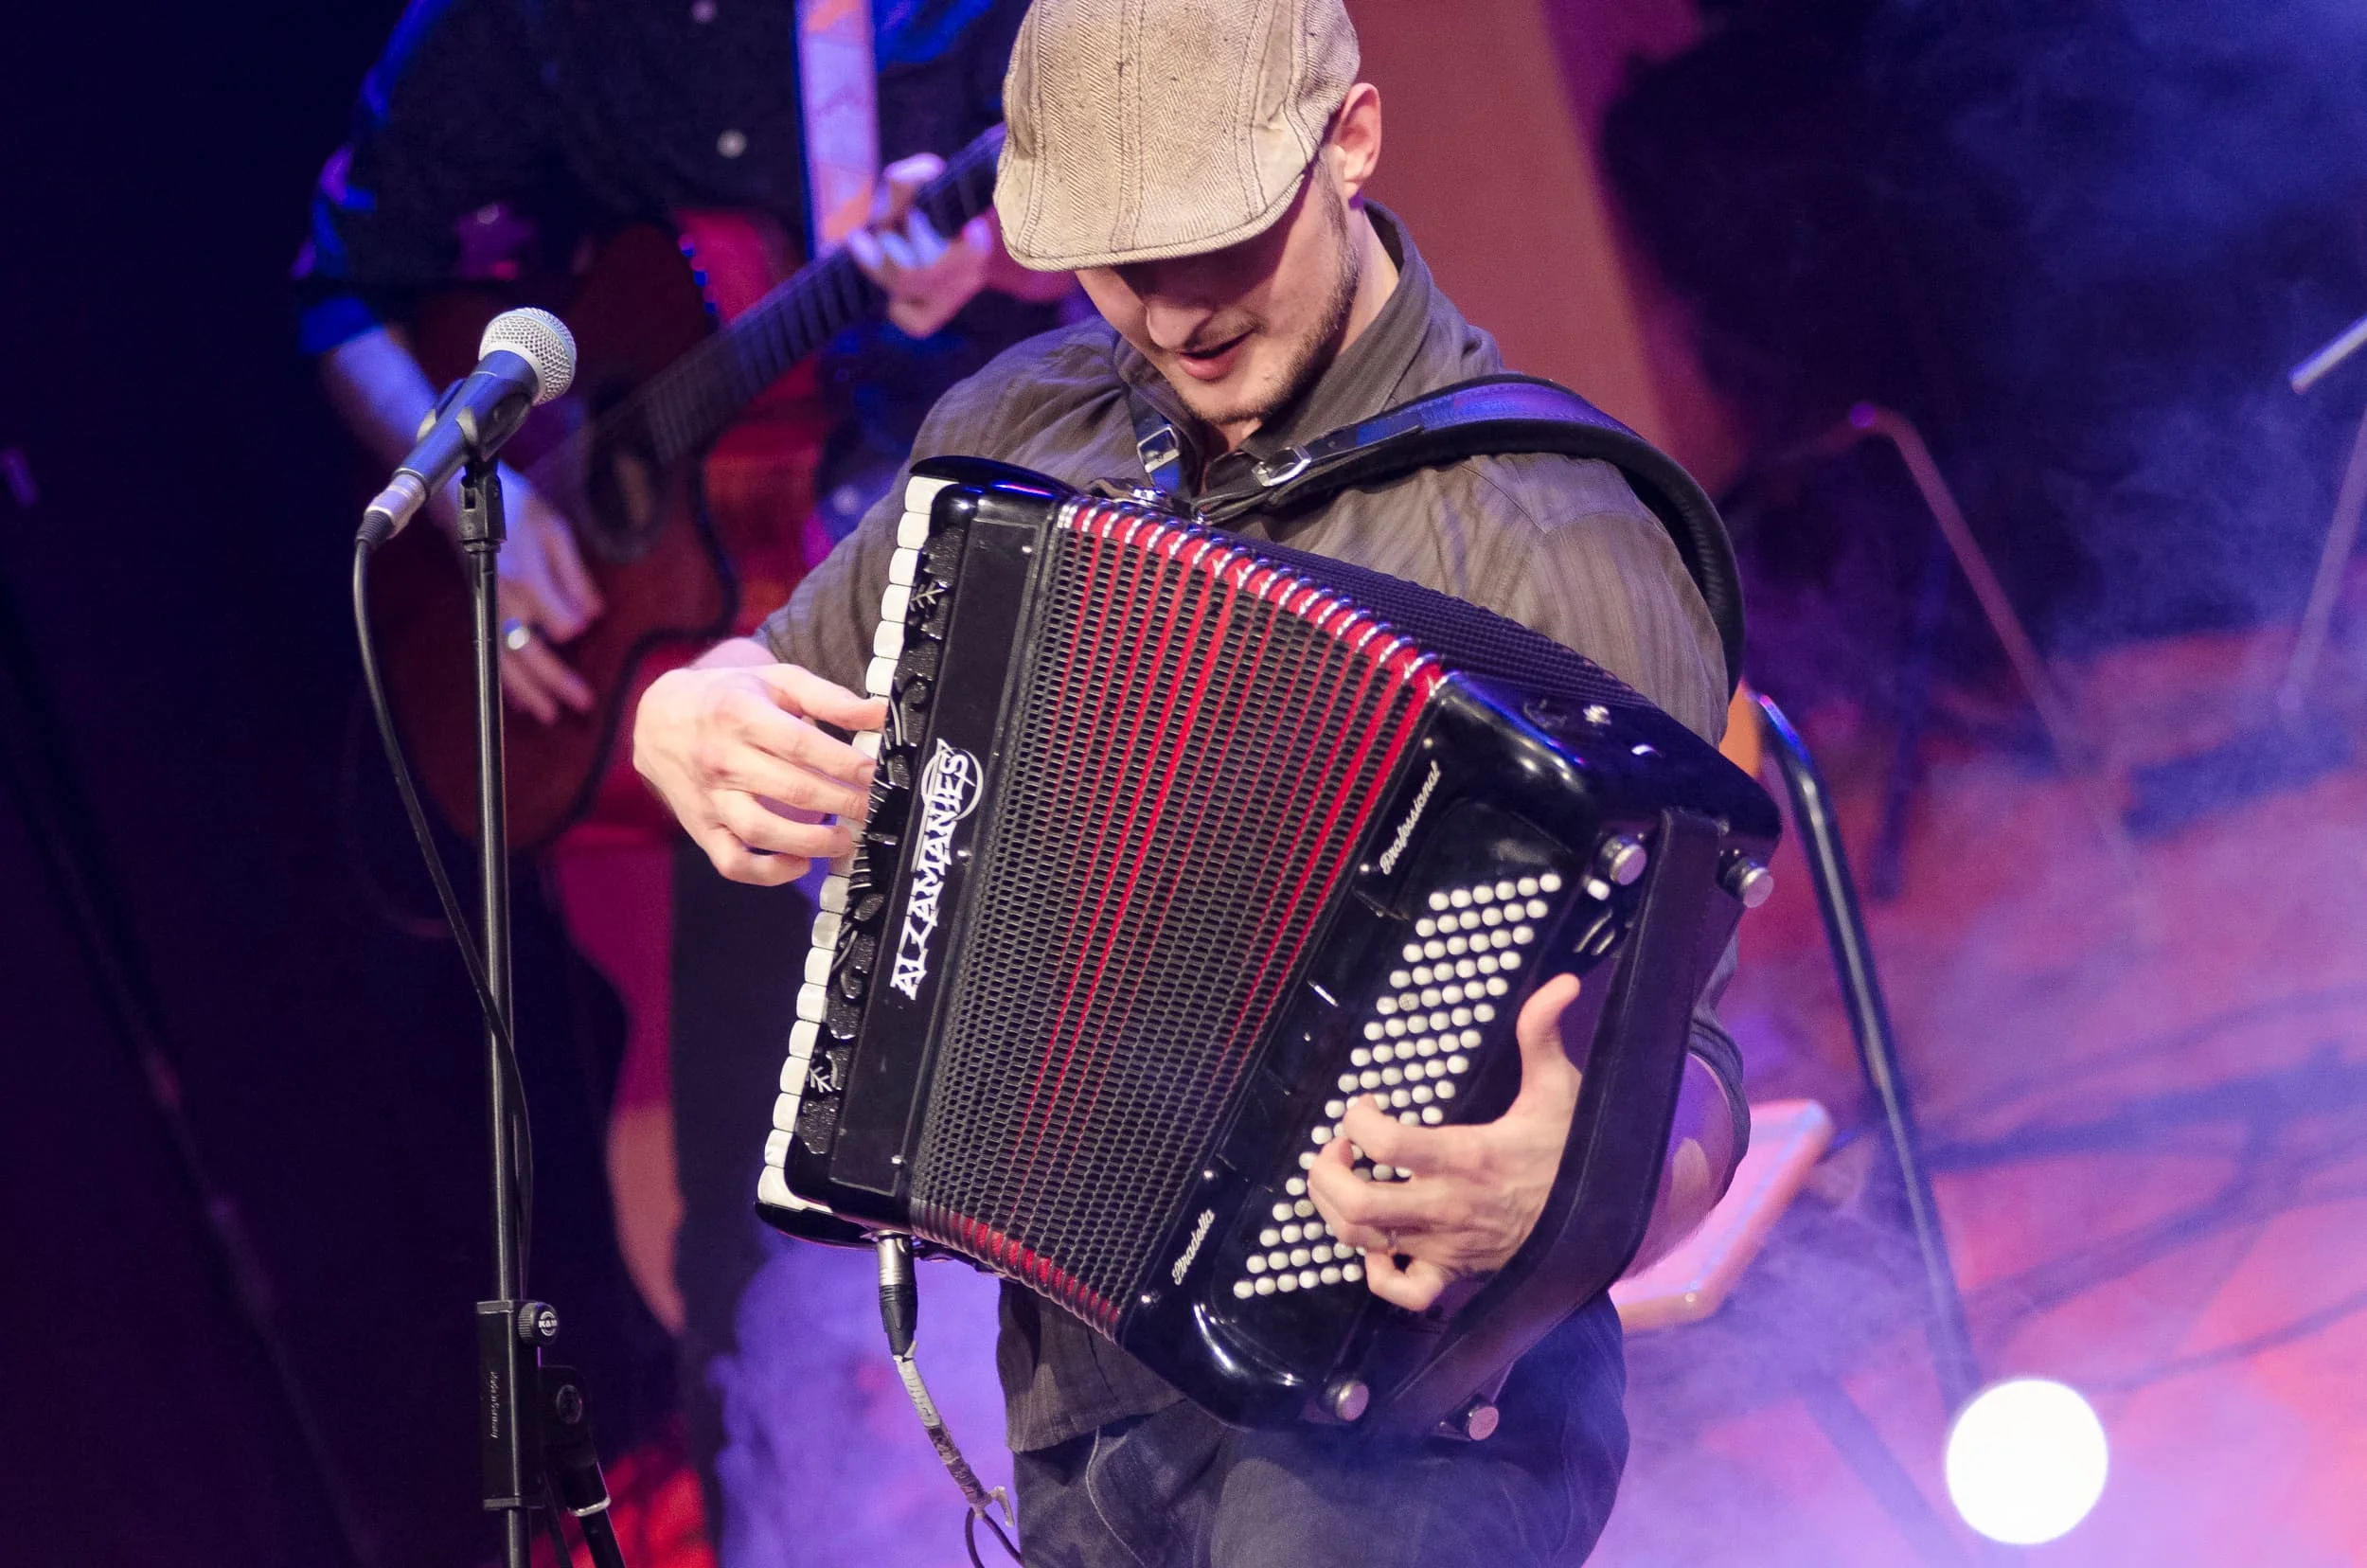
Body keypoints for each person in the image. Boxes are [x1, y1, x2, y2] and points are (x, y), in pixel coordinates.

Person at [631, 0, 1752, 1561]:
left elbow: (1690, 1061)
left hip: (1402, 1421)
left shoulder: (1554, 538)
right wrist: (687, 707)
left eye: (1218, 238)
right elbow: (777, 678)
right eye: (1114, 261)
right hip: (1071, 1388)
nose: (1171, 313)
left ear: (1350, 139)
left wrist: (1578, 1194)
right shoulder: (1020, 433)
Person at [294, 0, 1074, 1548]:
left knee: (1079, 1133)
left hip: (1026, 589)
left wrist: (1002, 255)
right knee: (758, 1248)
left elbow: (1159, 217)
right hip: (763, 673)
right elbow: (338, 288)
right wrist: (473, 497)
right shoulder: (524, 23)